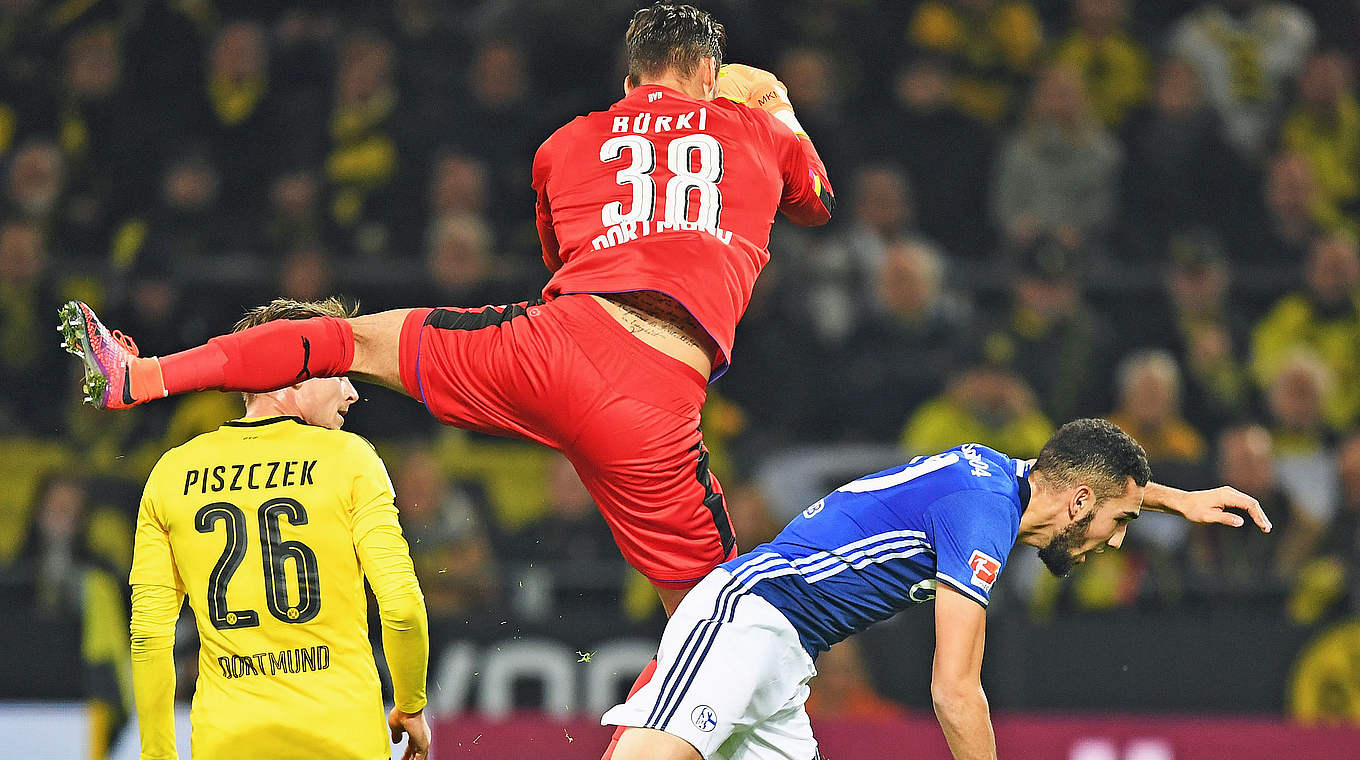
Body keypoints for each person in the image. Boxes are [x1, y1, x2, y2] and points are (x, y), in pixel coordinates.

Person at [59, 2, 834, 621]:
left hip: (554, 345)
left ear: (632, 77)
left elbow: (563, 265)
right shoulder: (753, 126)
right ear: (707, 71)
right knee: (711, 626)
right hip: (656, 395)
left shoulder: (565, 143)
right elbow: (817, 204)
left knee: (348, 340)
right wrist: (777, 105)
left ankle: (143, 374)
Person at [602, 418, 1271, 760]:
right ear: (1081, 501)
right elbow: (954, 691)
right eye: (1120, 522)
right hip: (744, 620)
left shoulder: (1005, 479)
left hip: (787, 656)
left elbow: (1079, 476)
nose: (1118, 540)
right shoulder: (983, 518)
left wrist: (1175, 501)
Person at [124, 298, 430, 760]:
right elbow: (402, 607)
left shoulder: (172, 473)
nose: (352, 392)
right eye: (339, 369)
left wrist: (157, 754)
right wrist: (410, 705)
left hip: (228, 743)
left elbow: (150, 636)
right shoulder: (350, 460)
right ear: (296, 371)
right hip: (343, 739)